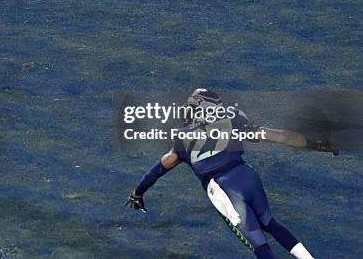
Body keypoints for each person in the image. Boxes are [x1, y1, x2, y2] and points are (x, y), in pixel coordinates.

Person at [125, 89, 338, 259]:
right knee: (269, 222)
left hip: (222, 188)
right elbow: (280, 136)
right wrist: (316, 145)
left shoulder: (183, 139)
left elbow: (159, 168)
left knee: (258, 243)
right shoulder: (233, 119)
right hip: (246, 175)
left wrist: (138, 192)